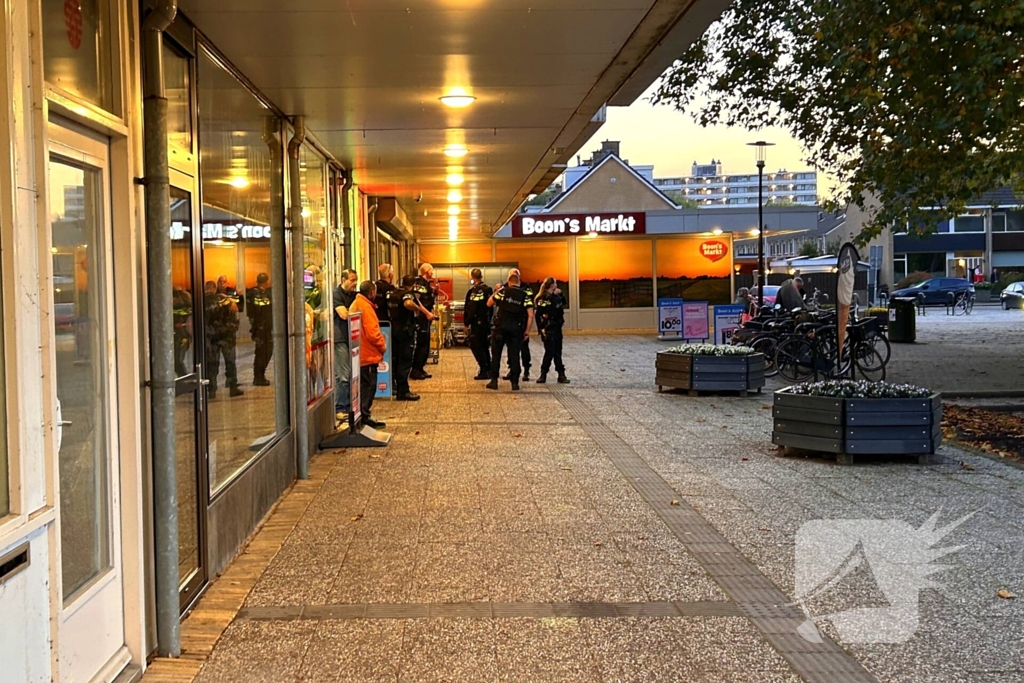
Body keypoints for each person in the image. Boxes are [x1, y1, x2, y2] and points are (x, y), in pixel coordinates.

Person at [486, 271, 533, 391]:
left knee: (496, 354)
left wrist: (498, 290)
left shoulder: (503, 292)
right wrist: (527, 331)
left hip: (500, 328)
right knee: (514, 355)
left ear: (510, 282)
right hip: (516, 329)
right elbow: (530, 315)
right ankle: (515, 383)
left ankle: (494, 380)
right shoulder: (525, 295)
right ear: (518, 282)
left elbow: (489, 303)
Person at [350, 281, 387, 429]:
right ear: (372, 292)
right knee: (369, 387)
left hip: (359, 353)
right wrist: (383, 346)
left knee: (362, 386)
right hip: (368, 354)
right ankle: (365, 416)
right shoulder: (366, 307)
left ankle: (362, 415)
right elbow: (373, 333)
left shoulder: (356, 303)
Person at [203, 280, 243, 398]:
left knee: (211, 363)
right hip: (227, 336)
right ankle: (233, 387)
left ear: (206, 288)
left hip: (211, 337)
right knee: (230, 362)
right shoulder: (224, 298)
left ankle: (211, 390)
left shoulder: (200, 301)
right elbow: (236, 309)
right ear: (215, 288)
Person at [387, 275, 421, 401]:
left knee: (395, 360)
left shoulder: (393, 293)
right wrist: (416, 309)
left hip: (393, 330)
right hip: (405, 332)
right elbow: (407, 303)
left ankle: (396, 387)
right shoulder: (408, 294)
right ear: (413, 285)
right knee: (405, 361)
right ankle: (403, 391)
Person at [333, 268, 359, 418]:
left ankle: (350, 405)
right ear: (343, 280)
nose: (354, 283)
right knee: (343, 374)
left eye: (356, 280)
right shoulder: (337, 295)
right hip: (340, 338)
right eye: (352, 280)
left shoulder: (354, 295)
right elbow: (344, 315)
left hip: (352, 338)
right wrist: (355, 305)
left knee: (351, 373)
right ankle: (341, 407)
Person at [534, 277, 569, 384]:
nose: (557, 285)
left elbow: (563, 302)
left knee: (557, 351)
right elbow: (539, 313)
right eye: (555, 283)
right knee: (550, 352)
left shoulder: (556, 296)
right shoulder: (543, 298)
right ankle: (543, 374)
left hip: (557, 328)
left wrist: (560, 294)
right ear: (551, 285)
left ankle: (561, 375)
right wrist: (541, 328)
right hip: (549, 328)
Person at [464, 268, 493, 380]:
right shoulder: (488, 289)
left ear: (472, 277)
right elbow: (490, 308)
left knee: (476, 346)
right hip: (485, 321)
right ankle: (489, 368)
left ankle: (483, 369)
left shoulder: (475, 291)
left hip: (477, 323)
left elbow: (472, 308)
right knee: (485, 346)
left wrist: (467, 323)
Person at [410, 263, 437, 380]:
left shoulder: (426, 284)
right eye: (431, 271)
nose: (433, 273)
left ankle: (420, 368)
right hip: (421, 318)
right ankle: (415, 369)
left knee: (425, 344)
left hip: (426, 317)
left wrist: (434, 291)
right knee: (421, 344)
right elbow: (417, 301)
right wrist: (426, 313)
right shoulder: (420, 283)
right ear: (427, 271)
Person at [246, 272, 273, 386]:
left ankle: (259, 375)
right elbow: (260, 307)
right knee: (262, 353)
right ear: (266, 282)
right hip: (261, 328)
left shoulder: (260, 293)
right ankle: (258, 377)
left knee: (265, 352)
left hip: (265, 328)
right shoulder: (255, 293)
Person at [172, 285, 193, 377]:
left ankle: (185, 381)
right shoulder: (184, 302)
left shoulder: (182, 302)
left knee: (177, 360)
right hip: (179, 334)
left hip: (182, 334)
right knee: (177, 360)